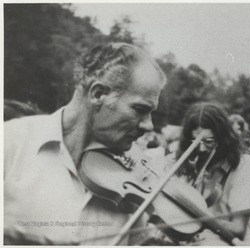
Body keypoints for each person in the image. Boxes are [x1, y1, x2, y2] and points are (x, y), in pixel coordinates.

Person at [4, 43, 166, 245]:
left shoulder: (133, 187)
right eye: (140, 109)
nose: (149, 125)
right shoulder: (10, 142)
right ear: (98, 94)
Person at [175, 102, 250, 245]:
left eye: (208, 141)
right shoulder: (197, 163)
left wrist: (197, 216)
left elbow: (238, 228)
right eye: (195, 141)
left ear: (223, 137)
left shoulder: (245, 163)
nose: (202, 148)